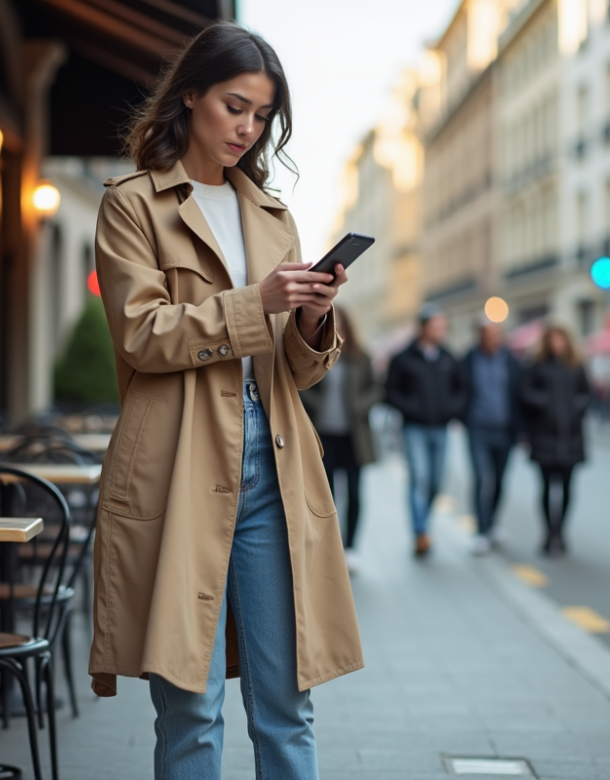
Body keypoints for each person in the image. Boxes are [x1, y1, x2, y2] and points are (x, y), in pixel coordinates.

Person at [91, 24, 362, 779]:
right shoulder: (133, 206)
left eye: (262, 115)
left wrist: (311, 320)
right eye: (234, 106)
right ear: (190, 96)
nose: (247, 128)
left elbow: (293, 374)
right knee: (190, 705)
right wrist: (256, 302)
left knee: (287, 706)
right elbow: (141, 336)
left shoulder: (272, 216)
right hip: (178, 464)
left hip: (274, 467)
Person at [300, 307, 380, 573]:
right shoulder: (317, 355)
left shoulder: (361, 358)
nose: (337, 330)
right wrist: (317, 405)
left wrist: (360, 405)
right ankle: (330, 548)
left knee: (355, 493)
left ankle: (351, 548)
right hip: (324, 436)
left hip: (353, 437)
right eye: (332, 325)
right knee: (328, 495)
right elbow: (302, 385)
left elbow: (375, 388)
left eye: (341, 325)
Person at [385, 304, 466, 556]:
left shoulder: (448, 358)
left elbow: (461, 389)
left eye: (443, 327)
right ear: (423, 327)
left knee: (436, 481)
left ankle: (424, 524)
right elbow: (390, 392)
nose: (441, 331)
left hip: (441, 428)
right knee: (418, 477)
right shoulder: (403, 358)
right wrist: (411, 409)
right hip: (414, 429)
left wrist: (451, 410)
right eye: (436, 326)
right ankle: (420, 531)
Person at [520, 324, 592, 556]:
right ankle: (548, 532)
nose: (557, 344)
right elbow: (526, 393)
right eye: (553, 340)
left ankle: (560, 531)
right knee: (545, 488)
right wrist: (546, 405)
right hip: (545, 436)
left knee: (568, 488)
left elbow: (586, 394)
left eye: (560, 340)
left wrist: (574, 409)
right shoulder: (537, 366)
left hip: (570, 436)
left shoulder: (575, 366)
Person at [460, 316, 524, 555]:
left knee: (499, 480)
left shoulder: (511, 361)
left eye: (495, 334)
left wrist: (522, 429)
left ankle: (492, 523)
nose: (491, 339)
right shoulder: (468, 360)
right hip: (477, 428)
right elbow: (458, 388)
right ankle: (481, 530)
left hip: (505, 430)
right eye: (486, 334)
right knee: (481, 478)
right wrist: (461, 415)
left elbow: (520, 394)